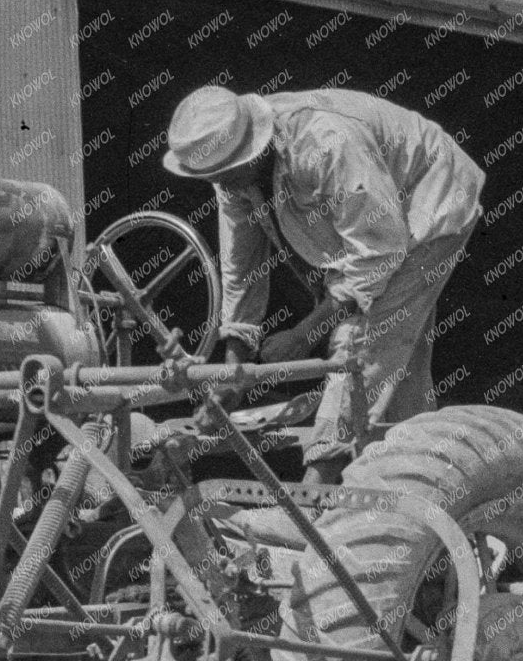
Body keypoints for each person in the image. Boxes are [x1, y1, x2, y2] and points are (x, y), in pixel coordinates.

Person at [161, 85, 483, 480]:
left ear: (253, 149)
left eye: (226, 175)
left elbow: (379, 251)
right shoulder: (230, 171)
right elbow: (242, 271)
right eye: (212, 177)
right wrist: (231, 378)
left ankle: (318, 488)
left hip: (430, 198)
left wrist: (302, 334)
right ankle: (428, 481)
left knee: (358, 343)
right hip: (375, 229)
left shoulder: (326, 142)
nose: (222, 185)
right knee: (398, 367)